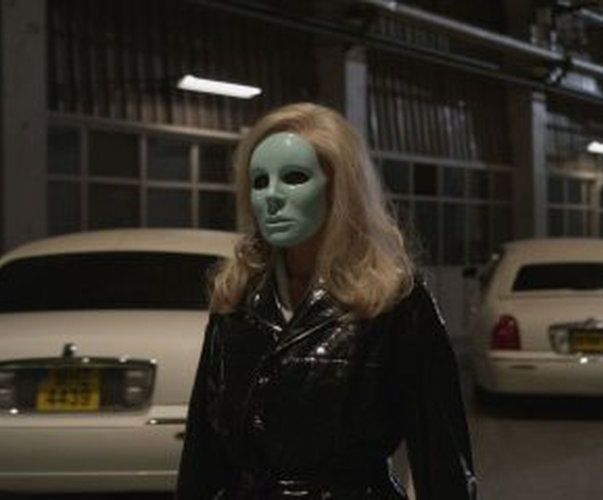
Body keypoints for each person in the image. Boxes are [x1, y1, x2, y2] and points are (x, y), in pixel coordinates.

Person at [176, 102, 476, 499]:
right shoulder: (236, 298)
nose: (271, 197)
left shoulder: (392, 301)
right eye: (259, 181)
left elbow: (443, 459)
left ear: (338, 188)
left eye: (294, 178)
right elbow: (203, 454)